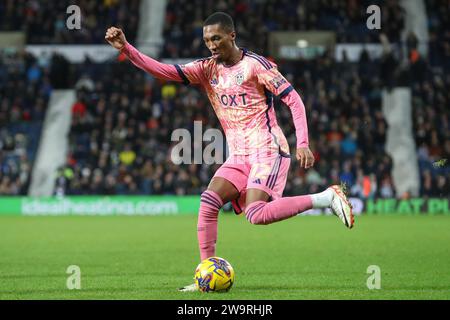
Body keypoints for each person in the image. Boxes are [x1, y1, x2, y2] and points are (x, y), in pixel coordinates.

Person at [105, 12, 354, 292]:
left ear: (231, 36)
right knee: (209, 201)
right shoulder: (206, 69)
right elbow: (164, 71)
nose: (211, 45)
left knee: (256, 214)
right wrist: (127, 49)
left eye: (216, 38)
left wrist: (304, 142)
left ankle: (325, 197)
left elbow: (294, 100)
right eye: (207, 40)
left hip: (267, 148)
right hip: (239, 155)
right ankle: (206, 275)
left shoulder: (256, 66)